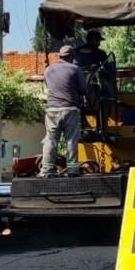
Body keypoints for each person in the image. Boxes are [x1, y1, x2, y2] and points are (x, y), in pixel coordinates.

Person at [40, 45, 87, 178]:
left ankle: (47, 169)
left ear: (60, 56)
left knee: (50, 139)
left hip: (52, 109)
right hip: (70, 109)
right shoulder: (75, 69)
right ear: (71, 57)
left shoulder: (48, 70)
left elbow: (49, 86)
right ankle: (72, 170)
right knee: (71, 140)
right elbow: (83, 90)